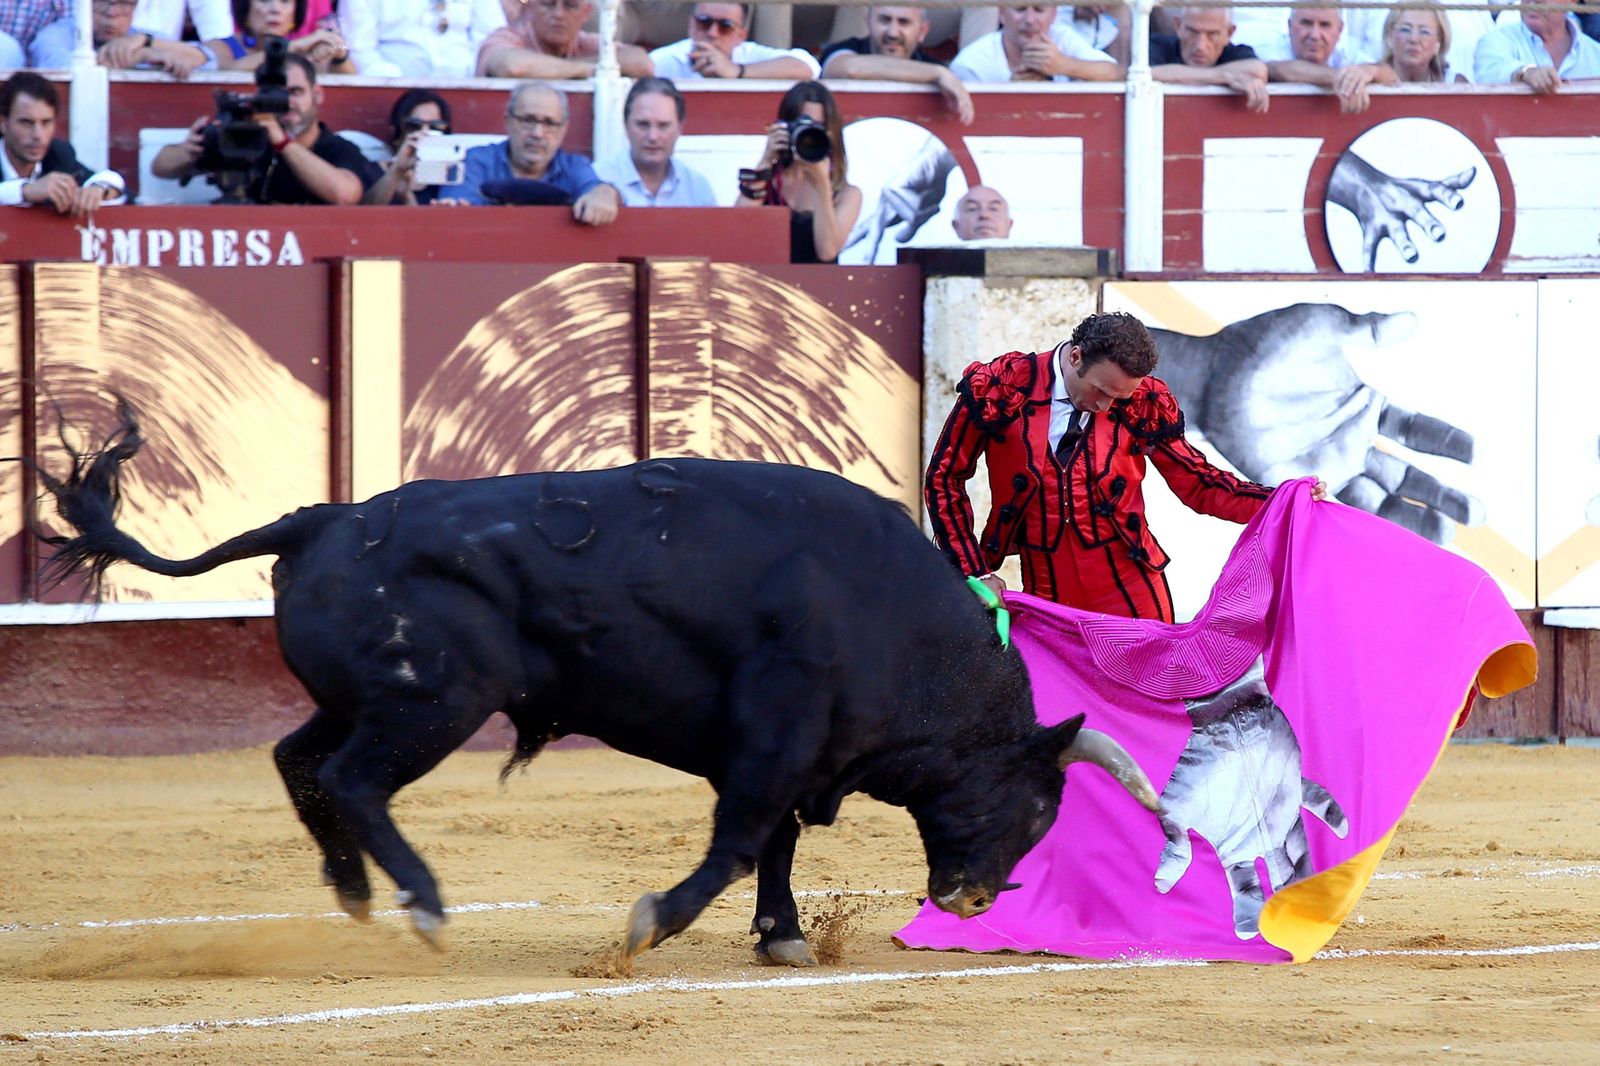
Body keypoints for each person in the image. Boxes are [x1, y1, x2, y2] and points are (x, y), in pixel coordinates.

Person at [924, 311, 1325, 620]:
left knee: (1152, 701)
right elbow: (944, 477)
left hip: (1131, 583)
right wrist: (972, 570)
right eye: (1099, 391)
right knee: (1064, 712)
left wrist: (1284, 500)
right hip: (1045, 586)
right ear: (1075, 356)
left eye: (1119, 397)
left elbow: (1200, 484)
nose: (1105, 406)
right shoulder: (1003, 385)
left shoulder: (1143, 399)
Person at [152, 52, 377, 204]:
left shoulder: (338, 149)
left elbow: (344, 194)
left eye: (295, 92)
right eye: (277, 95)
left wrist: (283, 143)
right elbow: (160, 166)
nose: (287, 102)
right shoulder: (248, 138)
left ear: (317, 95)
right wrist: (189, 150)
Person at [452, 81, 620, 225]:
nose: (537, 133)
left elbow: (594, 188)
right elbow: (457, 214)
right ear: (508, 122)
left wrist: (604, 192)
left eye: (549, 123)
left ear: (564, 129)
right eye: (528, 120)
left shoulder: (575, 167)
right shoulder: (475, 161)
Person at [735, 80, 862, 264]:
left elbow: (827, 252)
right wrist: (766, 160)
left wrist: (822, 185)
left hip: (817, 288)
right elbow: (737, 228)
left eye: (817, 127)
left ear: (831, 133)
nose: (808, 134)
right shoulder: (768, 183)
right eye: (801, 124)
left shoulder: (846, 194)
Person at [819, 5, 974, 124]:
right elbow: (850, 68)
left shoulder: (935, 68)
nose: (893, 33)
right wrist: (937, 74)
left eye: (904, 22)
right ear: (868, 23)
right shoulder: (844, 49)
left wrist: (939, 73)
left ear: (922, 31)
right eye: (885, 20)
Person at [0, 73, 126, 216]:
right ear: (3, 123)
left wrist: (100, 189)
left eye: (46, 122)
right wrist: (25, 191)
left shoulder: (58, 155)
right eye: (26, 123)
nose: (38, 135)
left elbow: (115, 184)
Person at [594, 77, 717, 207]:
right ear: (626, 126)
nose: (653, 137)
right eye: (643, 124)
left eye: (663, 126)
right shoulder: (598, 179)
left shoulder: (697, 189)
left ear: (680, 128)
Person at [1259, 7, 1397, 113]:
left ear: (1340, 30)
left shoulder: (1347, 54)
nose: (1315, 35)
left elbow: (1391, 76)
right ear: (1289, 26)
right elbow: (1279, 69)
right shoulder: (1268, 50)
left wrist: (1369, 71)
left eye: (1324, 25)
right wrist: (1342, 78)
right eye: (1306, 23)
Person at [949, 3, 1123, 83]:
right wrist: (1011, 94)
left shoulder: (1061, 36)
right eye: (1020, 9)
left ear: (1054, 14)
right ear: (1002, 13)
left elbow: (1115, 73)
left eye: (1039, 10)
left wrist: (1064, 65)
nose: (1030, 20)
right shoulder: (971, 64)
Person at [476, 0, 652, 78]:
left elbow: (641, 63)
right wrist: (588, 70)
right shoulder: (507, 36)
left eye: (570, 5)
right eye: (548, 4)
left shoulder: (585, 41)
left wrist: (556, 70)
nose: (559, 14)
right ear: (529, 8)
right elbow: (512, 67)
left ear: (586, 13)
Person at [648, 2, 819, 80]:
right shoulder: (669, 58)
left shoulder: (747, 53)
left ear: (741, 36)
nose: (713, 33)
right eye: (704, 22)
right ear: (691, 25)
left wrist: (736, 71)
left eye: (725, 26)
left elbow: (808, 66)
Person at [338, 0, 507, 78]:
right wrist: (396, 81)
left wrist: (471, 79)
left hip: (469, 89)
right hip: (391, 93)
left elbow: (492, 42)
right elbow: (360, 50)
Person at [1149, 6, 1270, 113]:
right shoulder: (1158, 45)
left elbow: (1258, 70)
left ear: (1229, 33)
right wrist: (1225, 76)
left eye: (1212, 34)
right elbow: (1145, 73)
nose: (1200, 46)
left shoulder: (1236, 53)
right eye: (1192, 31)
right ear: (1178, 26)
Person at [1474, 0, 1600, 90]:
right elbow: (1489, 73)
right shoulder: (1496, 40)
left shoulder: (1596, 53)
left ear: (1573, 1)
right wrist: (1525, 73)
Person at [211, 0, 354, 71]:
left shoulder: (304, 53)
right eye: (264, 0)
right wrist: (292, 47)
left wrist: (339, 55)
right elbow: (229, 72)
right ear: (245, 6)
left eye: (285, 1)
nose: (275, 9)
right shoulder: (219, 47)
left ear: (295, 12)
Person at [365, 88, 452, 206]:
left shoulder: (451, 176)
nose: (424, 132)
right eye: (414, 125)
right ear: (396, 133)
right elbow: (367, 212)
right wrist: (397, 170)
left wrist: (407, 197)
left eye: (435, 127)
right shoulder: (371, 171)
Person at [93, 0, 213, 75]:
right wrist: (141, 55)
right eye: (100, 1)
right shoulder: (77, 38)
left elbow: (208, 58)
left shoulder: (143, 36)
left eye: (123, 3)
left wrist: (145, 42)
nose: (111, 12)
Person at [1381, 7, 1464, 82]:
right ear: (1389, 36)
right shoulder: (1371, 78)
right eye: (1405, 30)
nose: (1414, 39)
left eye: (1424, 32)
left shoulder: (1455, 84)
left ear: (1438, 43)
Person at [0, 0, 73, 68]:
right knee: (6, 48)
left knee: (55, 51)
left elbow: (63, 15)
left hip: (40, 60)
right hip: (4, 58)